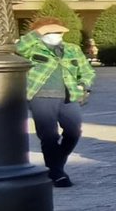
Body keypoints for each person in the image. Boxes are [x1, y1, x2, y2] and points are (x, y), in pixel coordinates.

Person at [15, 16, 94, 188]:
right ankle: (56, 172)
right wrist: (37, 33)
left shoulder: (72, 49)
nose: (56, 35)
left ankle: (56, 163)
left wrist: (83, 84)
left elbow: (87, 71)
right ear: (41, 33)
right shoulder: (32, 48)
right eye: (50, 31)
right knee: (49, 135)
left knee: (74, 131)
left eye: (58, 31)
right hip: (41, 96)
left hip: (68, 96)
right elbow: (18, 47)